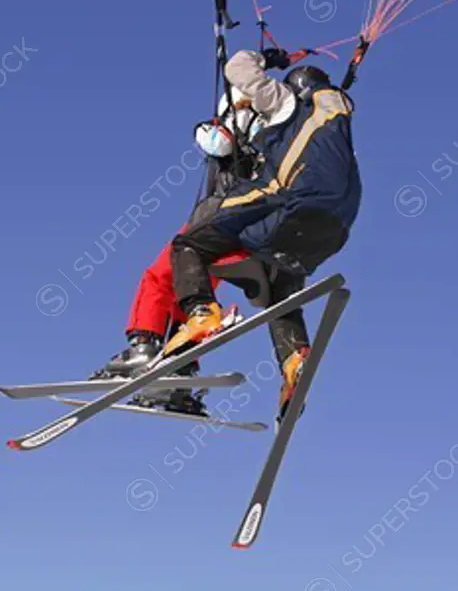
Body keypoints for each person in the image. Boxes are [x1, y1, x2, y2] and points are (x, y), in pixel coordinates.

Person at [162, 47, 362, 426]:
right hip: (335, 229)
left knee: (190, 241)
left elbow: (237, 67)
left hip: (293, 200)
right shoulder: (339, 121)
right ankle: (294, 361)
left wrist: (270, 58)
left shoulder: (290, 103)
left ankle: (201, 312)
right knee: (281, 291)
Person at [88, 87, 271, 415]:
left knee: (159, 278)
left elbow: (212, 141)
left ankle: (145, 346)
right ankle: (178, 369)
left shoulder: (245, 126)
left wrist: (219, 119)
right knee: (194, 293)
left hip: (218, 219)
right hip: (246, 231)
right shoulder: (280, 136)